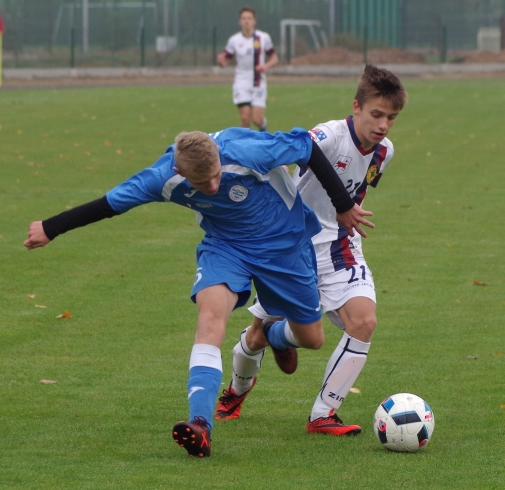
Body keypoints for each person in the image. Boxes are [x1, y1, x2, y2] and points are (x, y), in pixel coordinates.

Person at [23, 128, 373, 458]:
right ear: (179, 170)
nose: (213, 186)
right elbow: (110, 204)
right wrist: (51, 228)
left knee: (311, 339)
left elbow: (307, 145)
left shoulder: (247, 150)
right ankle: (200, 424)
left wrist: (342, 204)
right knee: (209, 318)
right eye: (202, 183)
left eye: (217, 176)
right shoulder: (162, 177)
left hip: (286, 247)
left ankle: (271, 335)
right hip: (226, 248)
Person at [215, 64, 407, 436]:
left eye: (392, 118)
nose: (383, 125)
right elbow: (283, 157)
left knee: (364, 321)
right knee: (256, 335)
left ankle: (323, 414)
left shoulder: (385, 151)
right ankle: (237, 391)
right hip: (290, 245)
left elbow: (357, 190)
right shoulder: (328, 136)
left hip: (339, 245)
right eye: (377, 114)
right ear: (356, 107)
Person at [216, 6, 278, 132]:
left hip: (258, 82)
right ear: (240, 21)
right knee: (245, 118)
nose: (246, 21)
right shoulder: (234, 40)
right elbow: (225, 62)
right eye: (244, 18)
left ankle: (263, 128)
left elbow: (274, 58)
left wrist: (265, 66)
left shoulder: (263, 37)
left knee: (256, 119)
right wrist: (221, 62)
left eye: (249, 18)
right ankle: (245, 147)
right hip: (241, 81)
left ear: (254, 21)